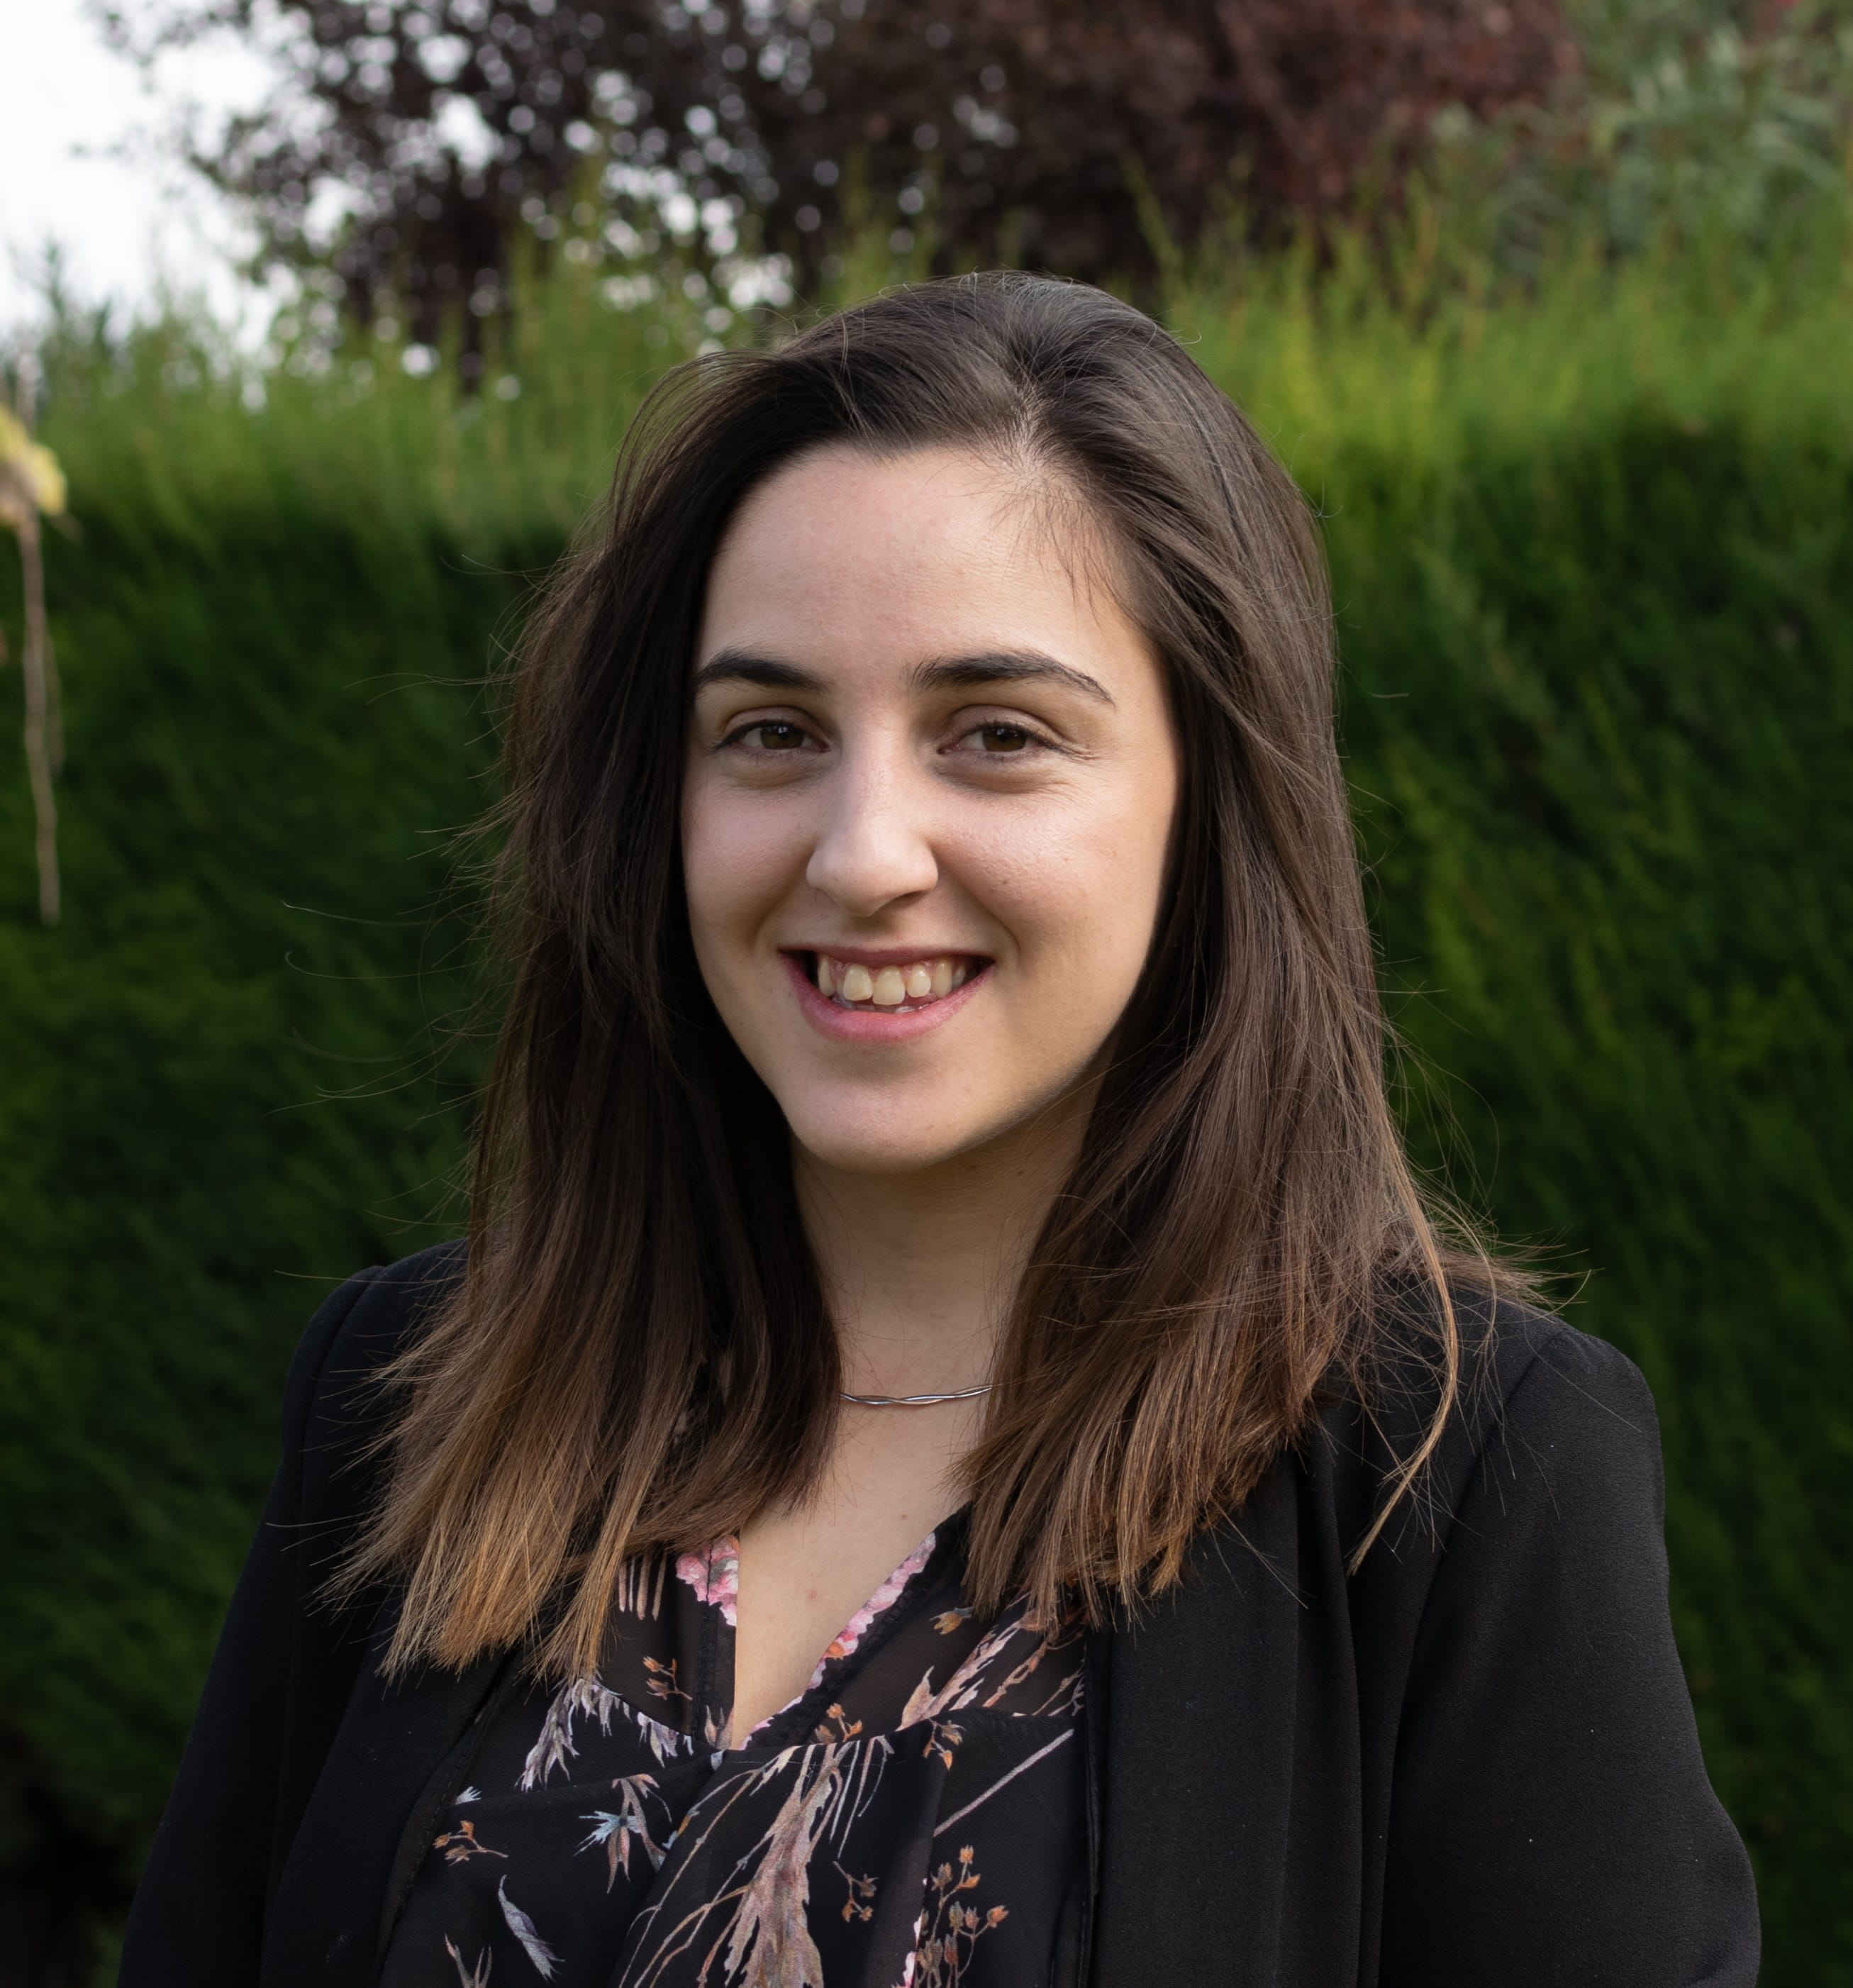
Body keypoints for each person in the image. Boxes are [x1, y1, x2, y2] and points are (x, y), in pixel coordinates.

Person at [118, 272, 1758, 1988]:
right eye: (769, 733)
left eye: (995, 735)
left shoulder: (1454, 1478)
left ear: (1210, 802)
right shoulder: (410, 1397)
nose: (859, 852)